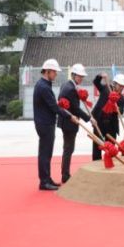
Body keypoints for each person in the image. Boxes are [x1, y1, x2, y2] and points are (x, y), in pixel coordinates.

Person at [32, 58, 78, 191]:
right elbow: (54, 107)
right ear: (47, 71)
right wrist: (70, 116)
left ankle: (47, 178)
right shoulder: (43, 87)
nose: (56, 74)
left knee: (46, 152)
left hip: (45, 122)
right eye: (54, 72)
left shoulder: (43, 84)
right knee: (45, 153)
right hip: (45, 124)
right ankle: (44, 181)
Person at [57, 63, 92, 184]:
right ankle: (65, 175)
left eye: (82, 76)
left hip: (66, 122)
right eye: (79, 76)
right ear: (73, 75)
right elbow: (76, 109)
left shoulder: (66, 84)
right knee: (69, 149)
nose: (81, 78)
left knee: (67, 148)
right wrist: (89, 118)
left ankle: (65, 173)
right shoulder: (71, 88)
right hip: (69, 123)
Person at [90, 72, 124, 161]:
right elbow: (96, 82)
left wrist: (117, 108)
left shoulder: (122, 99)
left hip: (111, 126)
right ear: (115, 84)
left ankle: (110, 164)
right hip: (99, 122)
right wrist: (100, 76)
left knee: (111, 148)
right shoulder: (106, 89)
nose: (121, 88)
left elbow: (121, 111)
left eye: (123, 86)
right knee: (97, 147)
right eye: (120, 85)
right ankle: (96, 164)